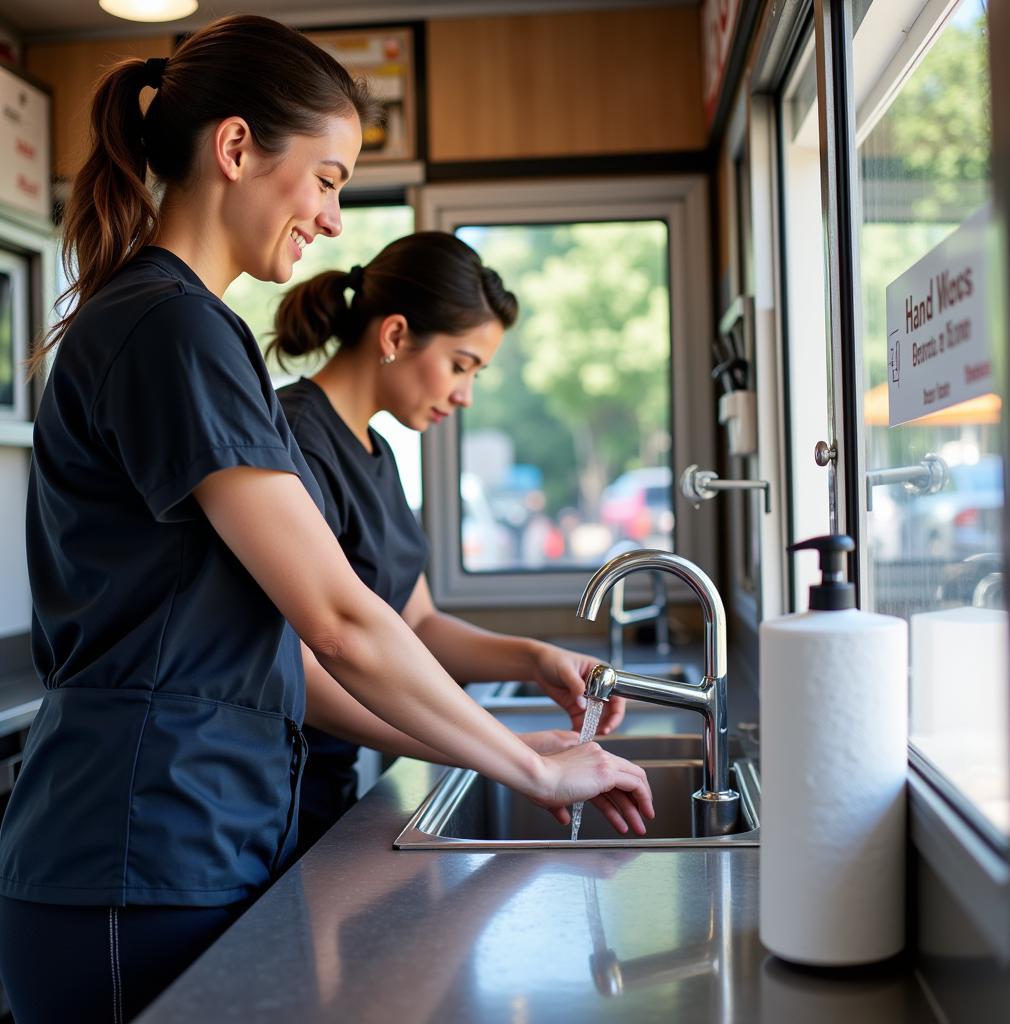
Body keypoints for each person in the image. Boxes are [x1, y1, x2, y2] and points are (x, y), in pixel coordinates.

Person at [0, 15, 652, 1023]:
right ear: (234, 149)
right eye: (328, 177)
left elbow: (298, 635)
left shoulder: (189, 327)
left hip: (186, 834)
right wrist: (527, 762)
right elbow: (339, 619)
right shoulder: (171, 328)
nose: (334, 218)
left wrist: (512, 735)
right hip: (140, 845)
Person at [267, 233, 629, 854]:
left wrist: (536, 659)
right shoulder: (294, 441)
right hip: (277, 791)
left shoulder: (375, 452)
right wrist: (503, 752)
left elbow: (419, 623)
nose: (465, 394)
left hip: (329, 782)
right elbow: (302, 669)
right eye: (461, 365)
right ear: (396, 336)